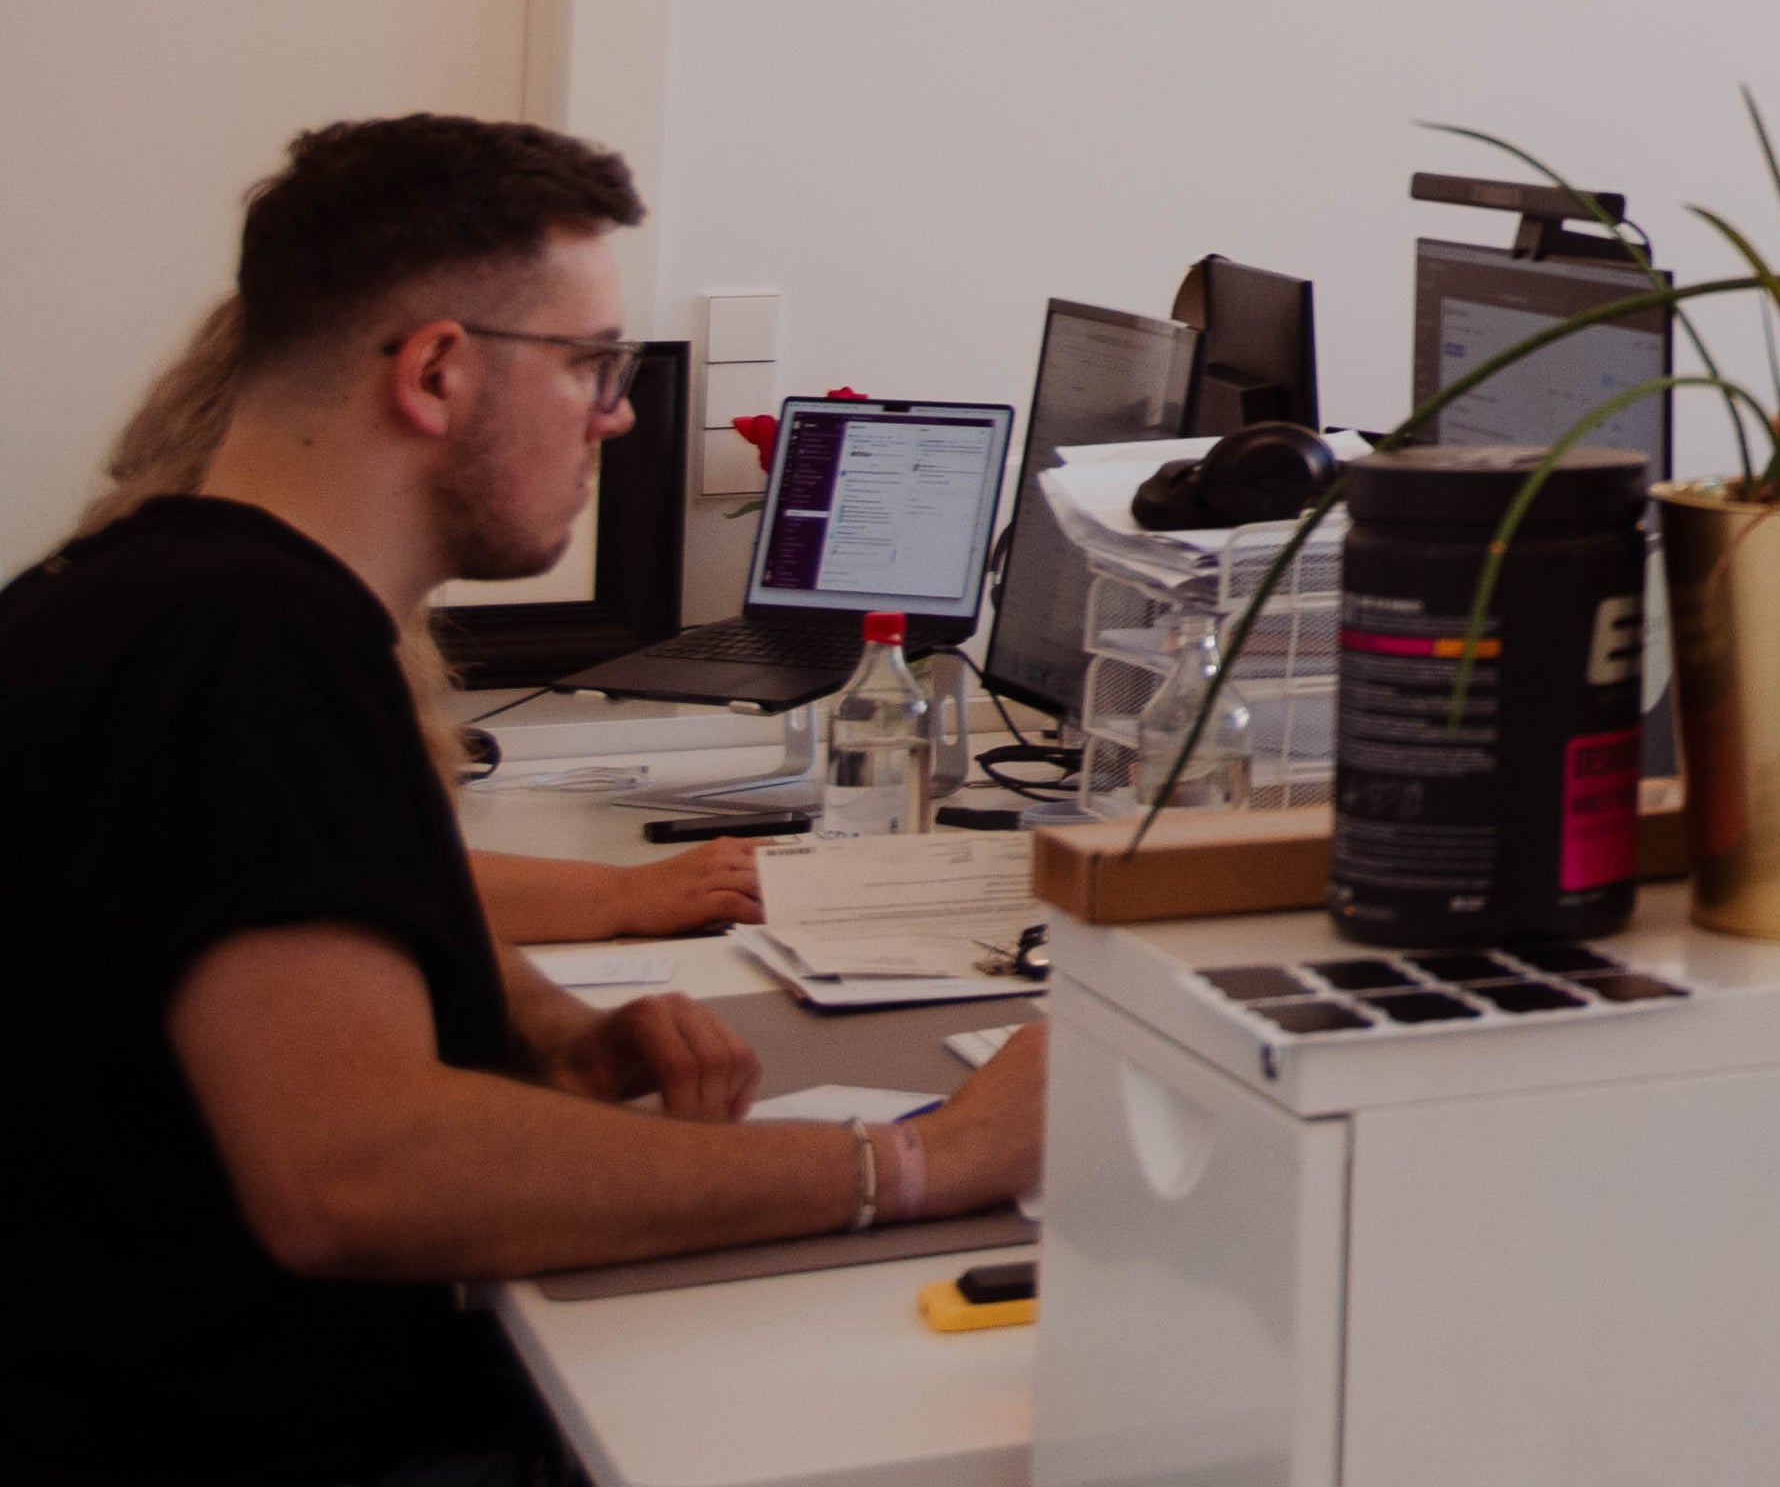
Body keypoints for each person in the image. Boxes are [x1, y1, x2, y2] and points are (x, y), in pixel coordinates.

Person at [1, 117, 1046, 1486]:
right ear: (437, 370)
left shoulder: (151, 595)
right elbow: (357, 1173)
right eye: (592, 366)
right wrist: (919, 1164)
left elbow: (284, 918)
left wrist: (537, 1027)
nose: (617, 415)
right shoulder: (247, 651)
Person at [79, 296, 763, 950]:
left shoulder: (164, 571)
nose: (614, 418)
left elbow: (360, 869)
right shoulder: (244, 629)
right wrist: (626, 894)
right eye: (583, 368)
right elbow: (344, 889)